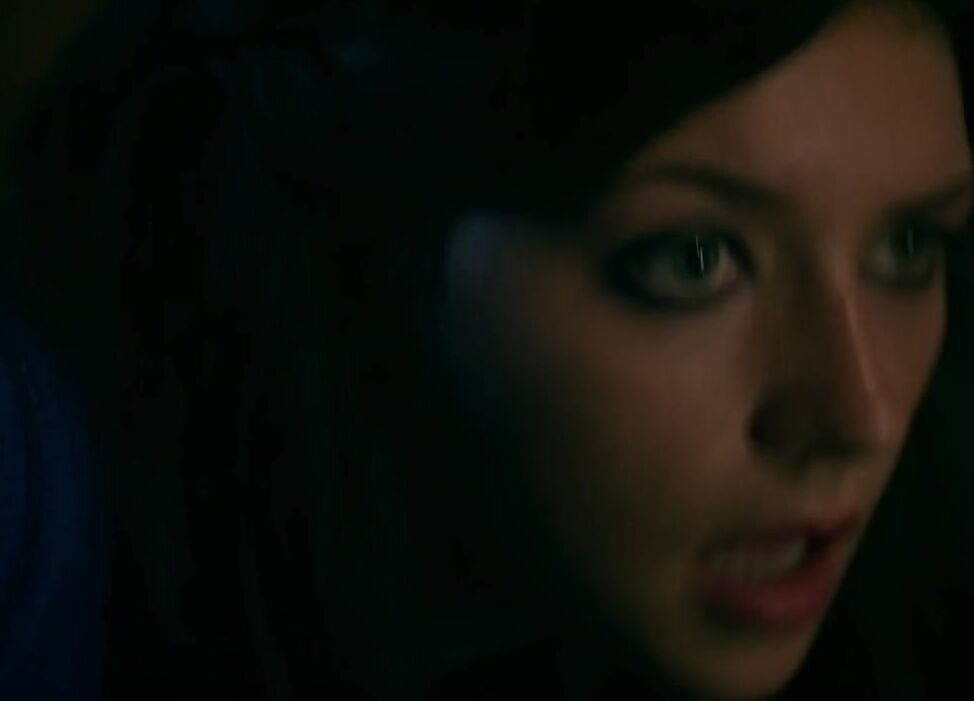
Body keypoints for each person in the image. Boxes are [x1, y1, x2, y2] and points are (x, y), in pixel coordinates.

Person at [5, 0, 974, 699]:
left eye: (906, 247)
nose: (860, 414)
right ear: (381, 238)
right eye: (692, 259)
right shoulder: (42, 488)